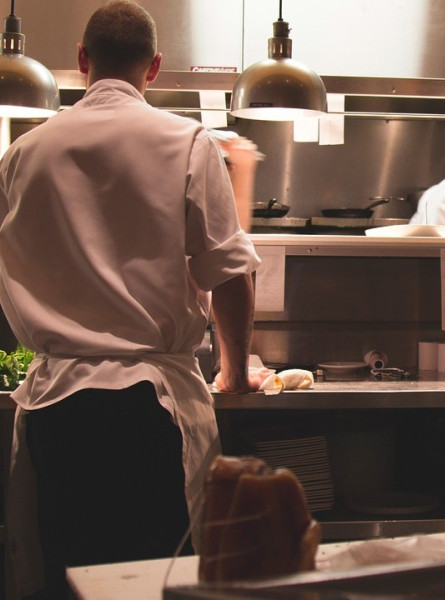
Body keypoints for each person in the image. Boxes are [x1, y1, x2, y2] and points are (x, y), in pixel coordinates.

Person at [0, 2, 268, 598]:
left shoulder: (23, 153)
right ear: (155, 68)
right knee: (156, 584)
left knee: (69, 582)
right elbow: (228, 272)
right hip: (147, 413)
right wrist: (234, 373)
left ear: (81, 60)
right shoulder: (187, 142)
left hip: (56, 411)